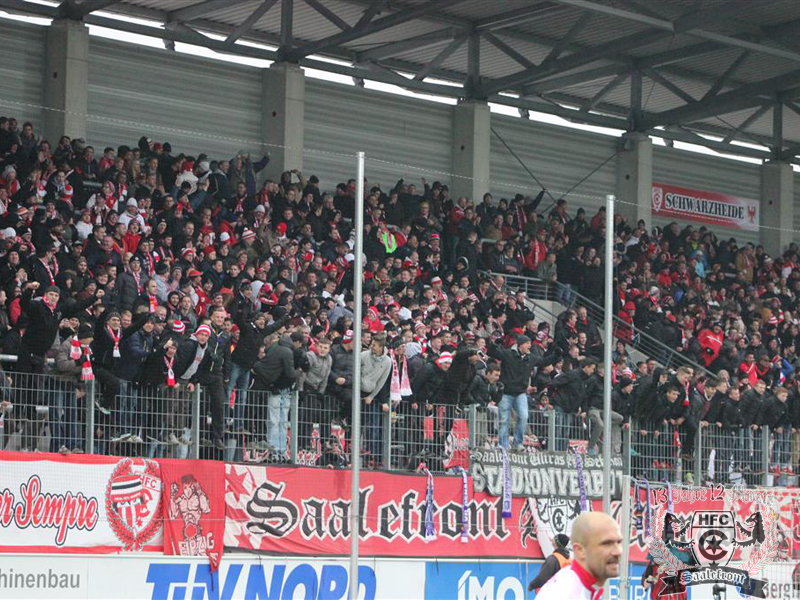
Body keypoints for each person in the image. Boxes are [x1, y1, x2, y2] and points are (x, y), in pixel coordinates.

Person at [535, 512, 622, 600]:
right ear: (580, 550)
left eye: (619, 542)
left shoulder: (578, 584)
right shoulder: (567, 592)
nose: (617, 551)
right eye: (606, 544)